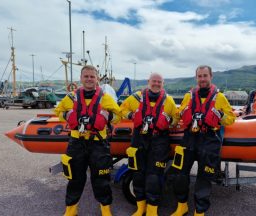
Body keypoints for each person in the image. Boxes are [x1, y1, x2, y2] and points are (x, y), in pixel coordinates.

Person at [54, 65, 122, 216]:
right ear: (81, 78)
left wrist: (107, 117)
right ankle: (71, 210)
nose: (89, 79)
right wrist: (67, 116)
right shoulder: (71, 97)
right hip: (76, 142)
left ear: (97, 79)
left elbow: (118, 116)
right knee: (75, 178)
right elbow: (58, 112)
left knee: (102, 178)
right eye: (86, 76)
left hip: (98, 143)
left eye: (92, 76)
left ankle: (105, 209)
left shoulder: (105, 98)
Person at [171, 65, 236, 216]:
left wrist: (219, 116)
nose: (202, 79)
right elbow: (180, 112)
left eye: (205, 76)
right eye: (199, 76)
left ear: (211, 77)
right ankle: (182, 205)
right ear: (196, 78)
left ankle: (199, 211)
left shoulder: (220, 98)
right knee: (180, 173)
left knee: (204, 177)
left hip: (209, 139)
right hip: (189, 137)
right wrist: (182, 113)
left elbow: (231, 118)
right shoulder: (189, 96)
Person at [120, 73, 179, 216]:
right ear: (148, 82)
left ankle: (152, 210)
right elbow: (121, 110)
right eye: (154, 81)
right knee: (138, 174)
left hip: (159, 141)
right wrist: (131, 115)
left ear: (162, 84)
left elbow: (176, 119)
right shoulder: (135, 98)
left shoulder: (169, 101)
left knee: (154, 177)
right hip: (139, 138)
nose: (156, 84)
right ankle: (141, 208)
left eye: (159, 82)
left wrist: (168, 121)